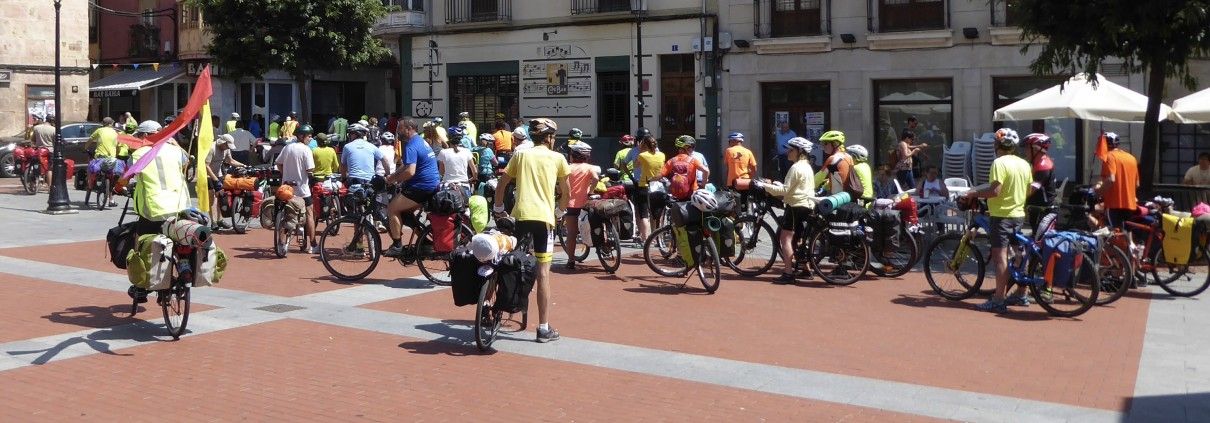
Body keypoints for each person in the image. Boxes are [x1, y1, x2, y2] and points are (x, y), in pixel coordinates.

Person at [492, 118, 569, 343]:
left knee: (504, 260)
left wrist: (498, 208)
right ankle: (543, 328)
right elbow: (566, 193)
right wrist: (559, 212)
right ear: (549, 138)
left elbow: (502, 184)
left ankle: (489, 306)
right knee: (543, 271)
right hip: (544, 220)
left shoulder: (521, 155)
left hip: (520, 216)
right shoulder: (558, 158)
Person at [962, 128, 1032, 313]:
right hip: (1019, 215)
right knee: (1019, 255)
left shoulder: (999, 163)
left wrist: (974, 193)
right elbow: (1028, 191)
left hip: (1001, 216)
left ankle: (999, 299)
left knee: (1000, 258)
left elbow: (995, 191)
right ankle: (1022, 294)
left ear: (997, 145)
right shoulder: (1024, 164)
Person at [123, 120, 191, 303]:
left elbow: (127, 176)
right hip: (180, 206)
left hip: (154, 209)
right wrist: (172, 141)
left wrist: (120, 187)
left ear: (146, 136)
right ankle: (184, 265)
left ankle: (140, 287)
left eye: (140, 136)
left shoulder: (139, 154)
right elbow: (187, 160)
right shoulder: (177, 152)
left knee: (141, 241)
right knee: (179, 238)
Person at [754, 137, 816, 285]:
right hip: (807, 204)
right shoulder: (807, 166)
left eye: (791, 149)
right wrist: (777, 183)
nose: (787, 152)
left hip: (795, 205)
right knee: (798, 238)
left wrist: (764, 186)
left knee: (785, 239)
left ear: (799, 151)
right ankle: (805, 269)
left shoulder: (795, 167)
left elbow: (785, 190)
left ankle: (788, 273)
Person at [384, 118, 442, 258]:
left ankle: (397, 245)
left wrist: (393, 180)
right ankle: (425, 242)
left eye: (400, 128)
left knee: (392, 208)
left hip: (421, 186)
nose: (398, 131)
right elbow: (405, 167)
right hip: (431, 184)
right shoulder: (421, 141)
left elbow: (410, 172)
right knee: (405, 213)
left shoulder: (410, 145)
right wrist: (392, 177)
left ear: (409, 129)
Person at [276, 124, 318, 253]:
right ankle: (313, 244)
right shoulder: (306, 150)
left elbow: (278, 163)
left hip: (286, 188)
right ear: (301, 136)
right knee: (310, 213)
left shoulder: (287, 148)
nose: (310, 138)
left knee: (284, 213)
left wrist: (285, 174)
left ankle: (281, 243)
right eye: (309, 136)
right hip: (302, 189)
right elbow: (310, 169)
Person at [562, 142, 601, 270]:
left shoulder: (567, 167)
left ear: (573, 155)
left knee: (572, 233)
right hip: (585, 203)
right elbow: (596, 178)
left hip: (571, 204)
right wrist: (591, 191)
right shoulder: (589, 168)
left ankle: (571, 260)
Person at [1094, 132, 1139, 229]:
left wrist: (1098, 192)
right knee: (1126, 235)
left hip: (1114, 204)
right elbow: (1137, 184)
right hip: (1130, 204)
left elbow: (1111, 179)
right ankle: (1131, 244)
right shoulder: (1131, 158)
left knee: (1114, 235)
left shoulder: (1109, 156)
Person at [206, 134, 246, 227]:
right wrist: (215, 180)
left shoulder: (226, 149)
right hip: (209, 175)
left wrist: (243, 165)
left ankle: (220, 220)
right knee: (212, 199)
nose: (228, 148)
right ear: (222, 142)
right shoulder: (211, 148)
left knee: (221, 198)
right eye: (227, 145)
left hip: (219, 174)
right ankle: (213, 222)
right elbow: (206, 166)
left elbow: (230, 161)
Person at [85, 117, 123, 207]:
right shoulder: (115, 133)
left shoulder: (99, 130)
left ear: (103, 123)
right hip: (112, 159)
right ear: (112, 124)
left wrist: (85, 148)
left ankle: (90, 187)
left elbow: (90, 140)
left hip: (100, 158)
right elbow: (118, 147)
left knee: (91, 171)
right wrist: (116, 154)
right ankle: (111, 199)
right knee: (114, 176)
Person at [633, 132, 664, 241]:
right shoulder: (662, 155)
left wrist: (641, 150)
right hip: (659, 186)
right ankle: (657, 238)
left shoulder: (642, 155)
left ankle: (646, 240)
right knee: (656, 214)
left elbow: (635, 165)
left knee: (644, 214)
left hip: (644, 185)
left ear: (644, 144)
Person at [1023, 133, 1057, 231]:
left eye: (1027, 148)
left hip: (1043, 211)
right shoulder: (1038, 163)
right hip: (1037, 208)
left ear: (1035, 149)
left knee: (1039, 243)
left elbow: (1030, 190)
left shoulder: (1043, 166)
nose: (1025, 151)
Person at [341, 122, 390, 187]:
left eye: (350, 133)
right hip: (370, 180)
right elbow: (384, 160)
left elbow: (343, 165)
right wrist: (388, 175)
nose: (349, 136)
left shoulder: (347, 146)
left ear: (356, 134)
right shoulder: (371, 146)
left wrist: (344, 178)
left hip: (353, 180)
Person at [815, 130, 852, 196]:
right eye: (822, 143)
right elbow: (839, 175)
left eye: (825, 143)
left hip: (837, 199)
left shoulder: (832, 159)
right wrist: (826, 185)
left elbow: (817, 179)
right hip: (848, 196)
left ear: (835, 144)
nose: (823, 146)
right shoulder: (848, 157)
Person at [31, 116, 57, 189]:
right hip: (49, 150)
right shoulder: (53, 130)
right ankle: (49, 187)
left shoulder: (37, 128)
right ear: (52, 122)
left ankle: (32, 184)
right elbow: (56, 141)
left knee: (35, 166)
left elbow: (33, 140)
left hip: (39, 150)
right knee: (49, 169)